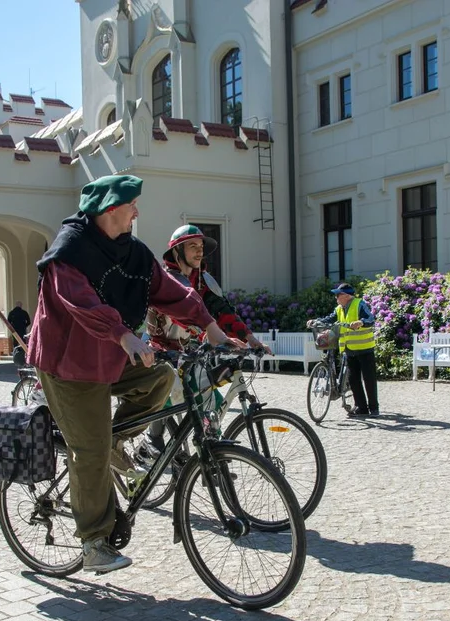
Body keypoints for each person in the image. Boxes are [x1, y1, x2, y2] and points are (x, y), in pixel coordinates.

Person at [27, 174, 238, 574]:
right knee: (89, 452)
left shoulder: (133, 252)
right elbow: (80, 303)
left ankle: (113, 441)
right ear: (110, 209)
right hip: (68, 364)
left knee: (159, 377)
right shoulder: (69, 251)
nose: (137, 211)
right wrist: (123, 335)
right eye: (132, 205)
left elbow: (171, 290)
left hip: (110, 353)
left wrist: (211, 328)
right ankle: (93, 542)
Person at [139, 225, 272, 459]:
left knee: (211, 398)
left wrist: (250, 339)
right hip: (160, 348)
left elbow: (224, 312)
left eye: (201, 247)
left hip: (190, 350)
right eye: (193, 246)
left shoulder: (203, 281)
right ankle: (153, 439)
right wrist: (212, 336)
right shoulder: (167, 279)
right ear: (177, 251)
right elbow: (181, 317)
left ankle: (213, 457)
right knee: (167, 391)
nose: (199, 252)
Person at [307, 282, 379, 417]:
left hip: (364, 348)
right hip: (348, 349)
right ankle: (362, 408)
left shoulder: (360, 304)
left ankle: (374, 408)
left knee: (369, 379)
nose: (336, 298)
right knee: (353, 379)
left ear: (346, 295)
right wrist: (315, 321)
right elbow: (329, 319)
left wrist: (361, 322)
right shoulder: (339, 309)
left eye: (338, 295)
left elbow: (370, 318)